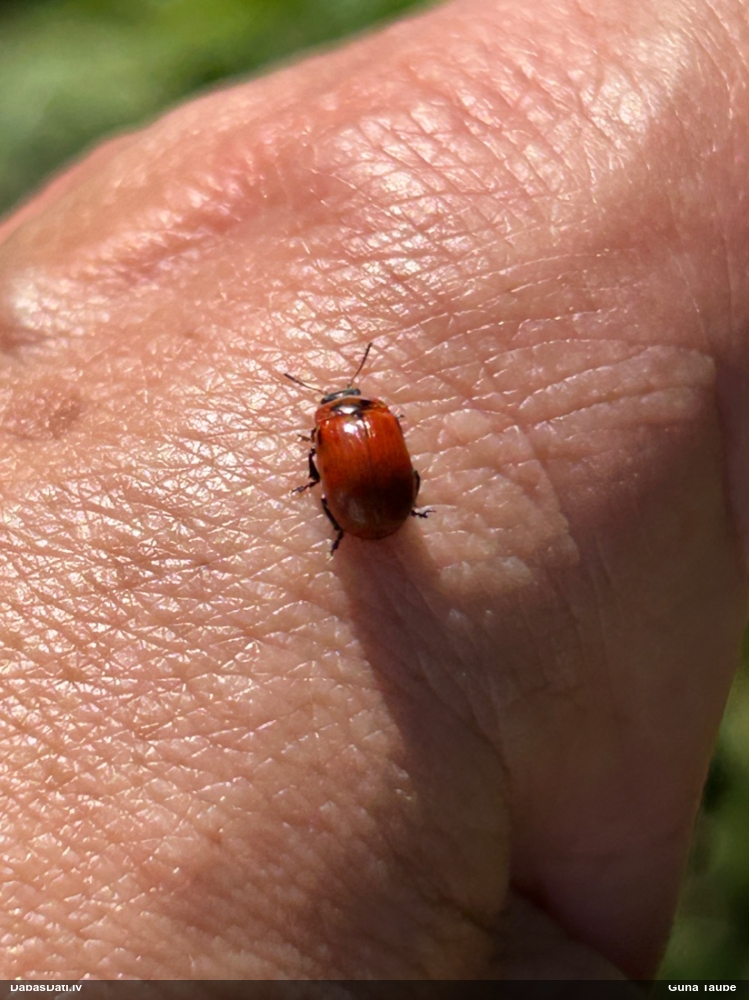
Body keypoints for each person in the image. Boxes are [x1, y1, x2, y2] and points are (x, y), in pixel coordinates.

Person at [0, 0, 746, 981]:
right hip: (376, 503)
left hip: (366, 513)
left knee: (346, 498)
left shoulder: (335, 433)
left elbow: (326, 471)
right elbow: (360, 462)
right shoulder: (368, 421)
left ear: (331, 411)